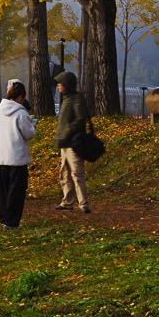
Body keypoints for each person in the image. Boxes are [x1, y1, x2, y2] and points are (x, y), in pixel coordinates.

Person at [0, 80, 36, 229]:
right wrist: (33, 127)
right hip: (17, 158)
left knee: (4, 190)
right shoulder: (20, 113)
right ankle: (12, 221)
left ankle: (3, 217)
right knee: (16, 192)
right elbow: (28, 133)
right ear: (20, 97)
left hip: (3, 157)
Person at [54, 70, 91, 214]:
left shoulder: (76, 99)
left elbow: (80, 119)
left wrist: (68, 130)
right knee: (65, 173)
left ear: (67, 84)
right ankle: (67, 202)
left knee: (76, 173)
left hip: (73, 143)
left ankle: (83, 203)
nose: (58, 85)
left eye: (60, 83)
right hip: (64, 142)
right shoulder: (66, 99)